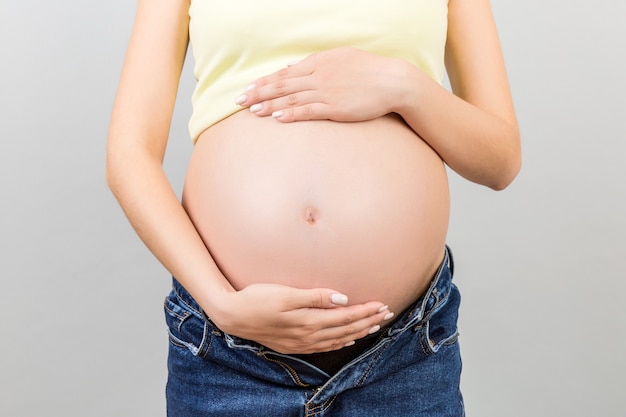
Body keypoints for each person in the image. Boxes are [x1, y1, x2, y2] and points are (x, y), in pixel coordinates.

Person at [107, 0, 520, 415]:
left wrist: (404, 85)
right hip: (230, 354)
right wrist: (221, 305)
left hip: (403, 354)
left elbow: (500, 161)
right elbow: (129, 155)